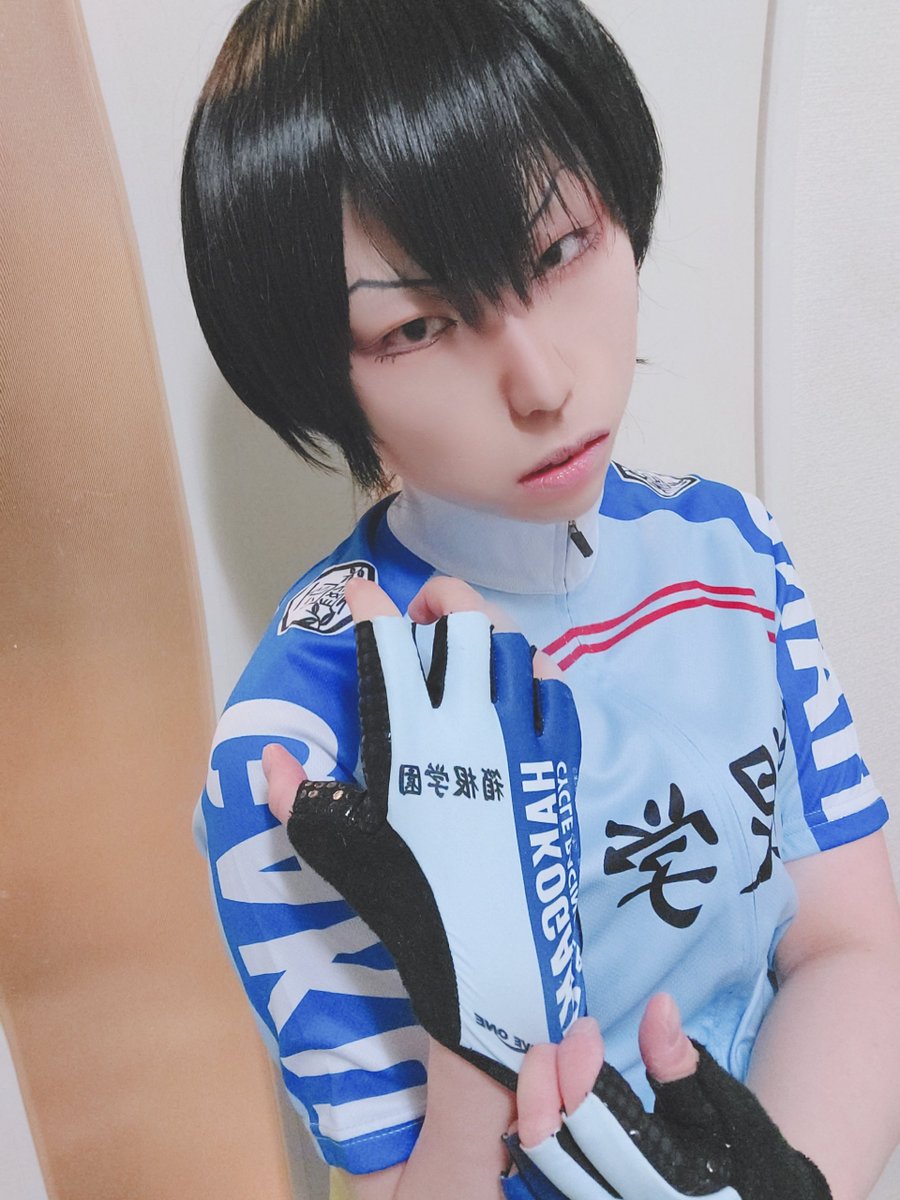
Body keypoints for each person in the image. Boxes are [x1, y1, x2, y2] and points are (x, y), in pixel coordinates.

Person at [182, 1, 900, 1197]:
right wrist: (482, 1025)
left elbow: (849, 941)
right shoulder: (291, 748)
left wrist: (782, 1183)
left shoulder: (730, 549)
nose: (540, 380)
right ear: (316, 368)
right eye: (419, 324)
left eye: (561, 250)